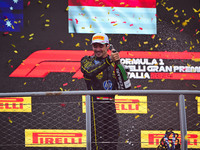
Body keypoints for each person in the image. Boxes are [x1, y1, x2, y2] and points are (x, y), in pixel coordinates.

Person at [81, 33, 125, 150]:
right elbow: (89, 72)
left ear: (108, 46)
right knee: (97, 140)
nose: (98, 49)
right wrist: (109, 60)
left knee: (113, 137)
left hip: (111, 105)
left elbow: (125, 87)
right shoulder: (87, 60)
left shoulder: (114, 63)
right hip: (96, 106)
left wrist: (120, 66)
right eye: (95, 46)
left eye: (101, 46)